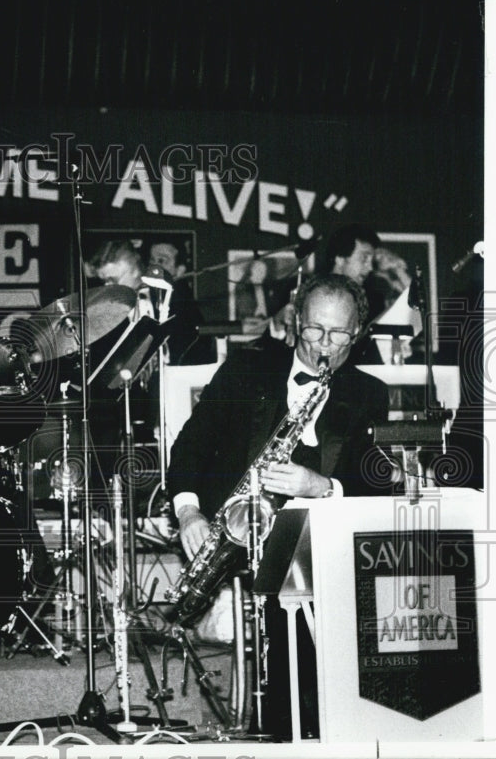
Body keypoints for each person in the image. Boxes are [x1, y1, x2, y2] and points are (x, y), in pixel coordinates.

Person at [167, 273, 390, 738]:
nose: (323, 345)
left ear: (358, 334)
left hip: (324, 551)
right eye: (313, 329)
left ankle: (314, 730)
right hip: (242, 538)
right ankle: (278, 728)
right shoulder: (244, 370)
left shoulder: (370, 394)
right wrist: (189, 511)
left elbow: (377, 485)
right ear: (294, 322)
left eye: (338, 334)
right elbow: (190, 447)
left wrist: (324, 486)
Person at [268, 224, 383, 363]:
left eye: (372, 261)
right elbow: (268, 354)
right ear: (340, 258)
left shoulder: (374, 300)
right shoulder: (302, 289)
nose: (370, 267)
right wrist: (278, 323)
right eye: (364, 258)